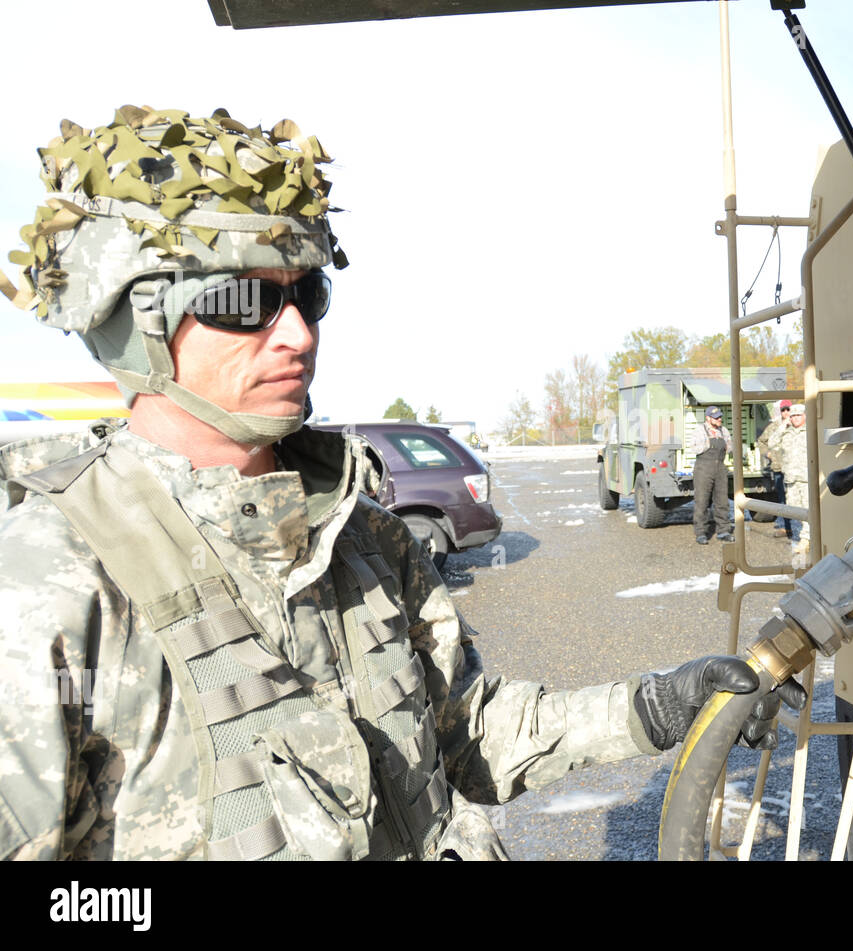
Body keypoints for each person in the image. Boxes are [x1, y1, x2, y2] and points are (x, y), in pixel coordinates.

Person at [0, 108, 801, 861]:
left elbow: (467, 734)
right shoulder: (49, 575)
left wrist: (654, 705)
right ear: (136, 322)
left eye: (307, 294)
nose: (298, 333)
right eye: (245, 301)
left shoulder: (362, 535)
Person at [690, 405, 734, 545]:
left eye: (720, 416)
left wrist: (725, 445)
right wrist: (708, 442)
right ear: (708, 418)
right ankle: (701, 532)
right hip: (704, 467)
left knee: (722, 501)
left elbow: (729, 447)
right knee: (702, 501)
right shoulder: (700, 430)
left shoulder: (724, 430)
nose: (719, 419)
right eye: (716, 417)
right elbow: (693, 448)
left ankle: (723, 531)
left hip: (720, 467)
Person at [777, 403, 810, 556]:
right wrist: (783, 426)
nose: (796, 418)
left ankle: (805, 540)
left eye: (798, 415)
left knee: (808, 510)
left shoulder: (810, 431)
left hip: (806, 478)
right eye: (793, 416)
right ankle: (803, 539)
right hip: (791, 479)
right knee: (794, 510)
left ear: (804, 416)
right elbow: (771, 443)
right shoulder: (786, 432)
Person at [757, 399, 792, 538]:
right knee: (783, 501)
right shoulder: (774, 427)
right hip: (779, 469)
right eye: (783, 410)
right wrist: (767, 453)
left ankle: (808, 533)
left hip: (796, 471)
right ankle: (787, 528)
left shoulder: (797, 424)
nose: (786, 412)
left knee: (803, 502)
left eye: (788, 409)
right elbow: (761, 441)